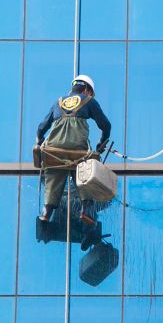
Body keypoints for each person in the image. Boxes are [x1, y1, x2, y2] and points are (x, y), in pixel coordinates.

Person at [36, 75, 111, 226]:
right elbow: (106, 125)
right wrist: (101, 143)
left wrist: (39, 140)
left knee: (54, 173)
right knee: (84, 173)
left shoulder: (58, 102)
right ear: (87, 89)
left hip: (54, 147)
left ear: (73, 88)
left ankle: (46, 212)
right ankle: (86, 209)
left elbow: (41, 127)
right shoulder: (89, 101)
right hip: (78, 146)